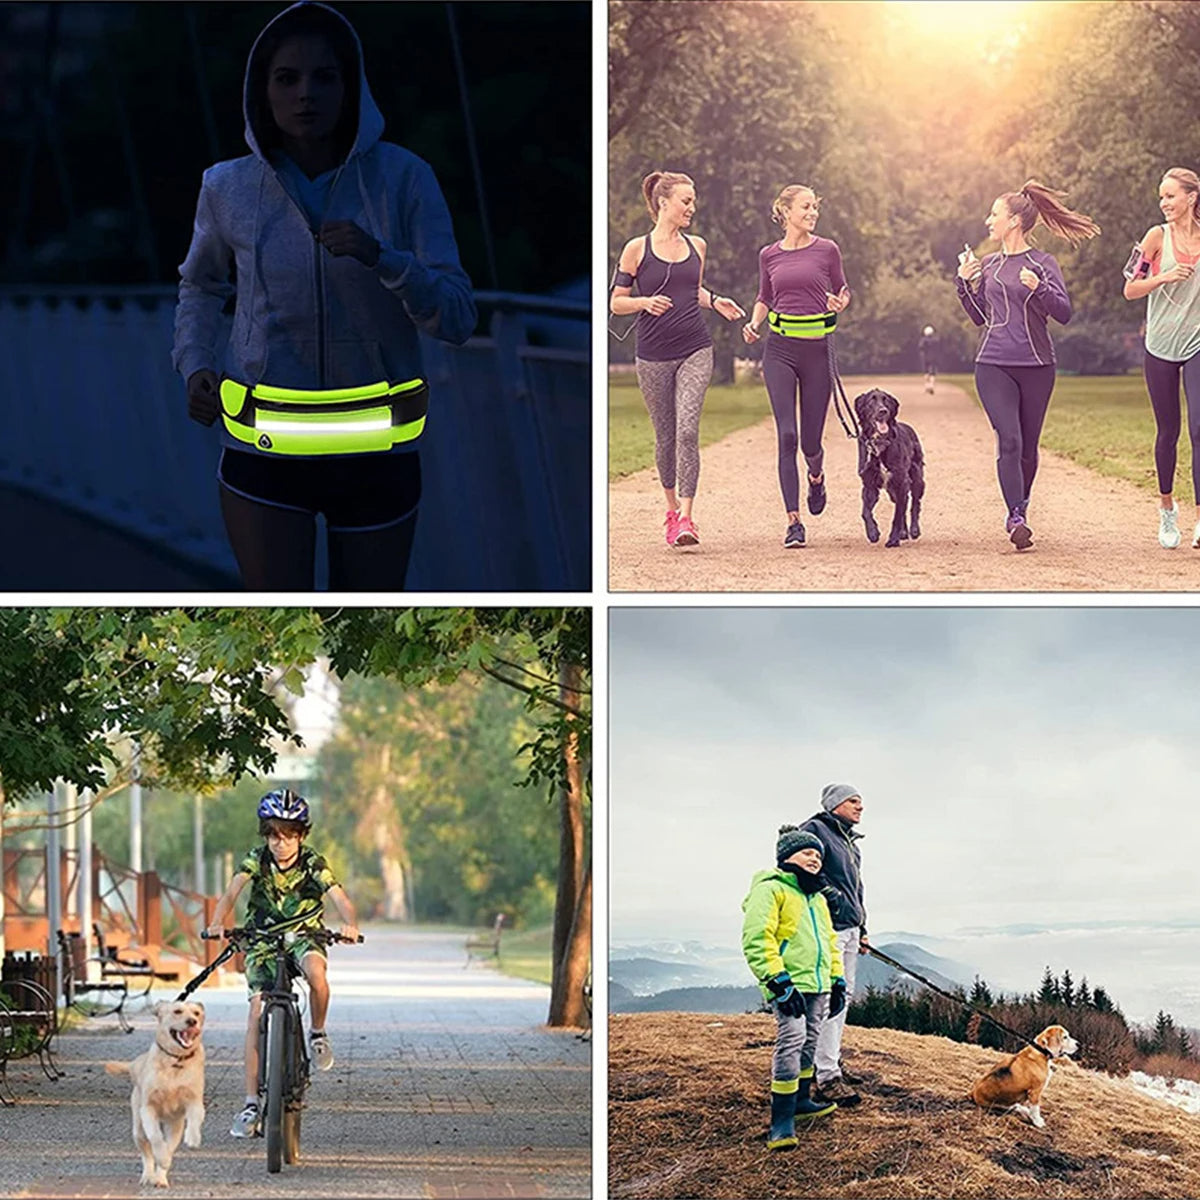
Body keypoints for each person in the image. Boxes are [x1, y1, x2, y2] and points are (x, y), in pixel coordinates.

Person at [173, 1, 476, 591]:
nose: (305, 94)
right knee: (276, 632)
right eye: (286, 78)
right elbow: (200, 285)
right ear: (261, 90)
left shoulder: (404, 178)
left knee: (362, 635)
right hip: (262, 447)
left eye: (324, 77)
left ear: (351, 87)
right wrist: (194, 365)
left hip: (377, 454)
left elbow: (459, 317)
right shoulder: (226, 185)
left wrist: (382, 257)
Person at [205, 788, 360, 1138]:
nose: (280, 843)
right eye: (274, 834)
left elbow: (340, 897)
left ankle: (317, 1032)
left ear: (301, 835)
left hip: (305, 934)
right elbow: (232, 892)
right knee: (256, 1013)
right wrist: (217, 921)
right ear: (266, 834)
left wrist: (350, 924)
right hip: (262, 939)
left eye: (289, 835)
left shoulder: (313, 862)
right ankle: (249, 1103)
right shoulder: (256, 859)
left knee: (317, 975)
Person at [956, 180, 1099, 550]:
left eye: (994, 214)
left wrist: (1040, 287)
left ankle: (1021, 506)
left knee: (1029, 448)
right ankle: (1015, 517)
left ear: (1015, 221)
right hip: (993, 364)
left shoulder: (1043, 263)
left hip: (1037, 366)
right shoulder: (988, 264)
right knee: (1010, 439)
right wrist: (963, 284)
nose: (989, 220)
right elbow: (978, 318)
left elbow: (1064, 313)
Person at [610, 171, 745, 549]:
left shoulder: (697, 246)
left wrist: (716, 301)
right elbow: (616, 303)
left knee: (687, 431)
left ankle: (687, 517)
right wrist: (643, 302)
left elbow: (693, 289)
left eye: (693, 200)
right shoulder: (636, 249)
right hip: (652, 356)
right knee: (665, 436)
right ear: (663, 202)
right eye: (686, 200)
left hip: (695, 348)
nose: (692, 207)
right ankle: (670, 512)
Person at [743, 184, 851, 549]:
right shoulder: (769, 255)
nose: (812, 212)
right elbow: (764, 296)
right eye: (805, 207)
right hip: (780, 350)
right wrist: (754, 323)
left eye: (815, 207)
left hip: (817, 352)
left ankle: (816, 477)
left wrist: (840, 302)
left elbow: (843, 290)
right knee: (786, 435)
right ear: (786, 211)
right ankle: (793, 522)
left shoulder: (828, 250)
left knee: (810, 442)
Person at [742, 826, 845, 1150]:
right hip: (789, 983)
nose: (815, 859)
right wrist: (778, 982)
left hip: (818, 983)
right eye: (807, 853)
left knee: (810, 1040)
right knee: (792, 1041)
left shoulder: (816, 897)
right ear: (787, 856)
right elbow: (758, 938)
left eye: (818, 855)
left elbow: (830, 943)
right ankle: (781, 1120)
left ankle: (801, 1101)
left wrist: (837, 979)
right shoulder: (771, 889)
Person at [1122, 167, 1200, 549]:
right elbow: (1130, 289)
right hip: (1160, 345)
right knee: (1168, 432)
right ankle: (1167, 510)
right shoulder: (1156, 237)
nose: (1164, 203)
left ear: (1191, 196)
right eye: (1161, 197)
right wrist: (1163, 278)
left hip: (1198, 342)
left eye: (1171, 195)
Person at [798, 783, 868, 1108]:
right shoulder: (815, 831)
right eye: (853, 800)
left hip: (850, 929)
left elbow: (858, 888)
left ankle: (829, 1063)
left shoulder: (849, 843)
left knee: (843, 999)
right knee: (829, 999)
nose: (860, 807)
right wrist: (835, 904)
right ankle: (825, 1077)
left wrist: (862, 927)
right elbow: (806, 872)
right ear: (835, 804)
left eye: (860, 801)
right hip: (829, 929)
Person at [919, 325, 939, 393]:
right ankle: (931, 386)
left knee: (926, 372)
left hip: (925, 358)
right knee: (933, 373)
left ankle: (927, 386)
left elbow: (921, 348)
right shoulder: (936, 340)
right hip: (933, 358)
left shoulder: (923, 340)